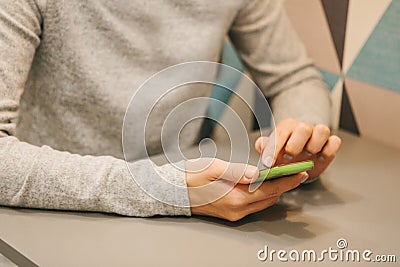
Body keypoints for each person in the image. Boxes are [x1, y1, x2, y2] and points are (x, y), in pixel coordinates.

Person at [0, 0, 341, 221]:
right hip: (48, 214)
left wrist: (297, 143)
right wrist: (165, 189)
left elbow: (294, 79)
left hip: (185, 216)